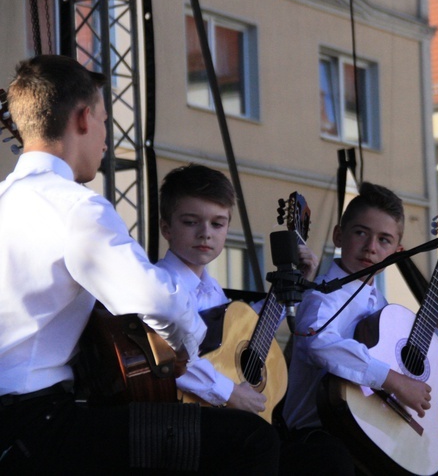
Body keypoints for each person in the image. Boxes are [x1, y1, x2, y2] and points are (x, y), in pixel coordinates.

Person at [0, 54, 278, 474]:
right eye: (105, 121)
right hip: (39, 426)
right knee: (253, 439)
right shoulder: (76, 208)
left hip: (20, 424)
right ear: (82, 118)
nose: (107, 138)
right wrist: (188, 347)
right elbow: (159, 301)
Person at [281, 182, 438, 475]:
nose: (371, 247)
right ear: (339, 235)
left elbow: (411, 363)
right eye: (361, 232)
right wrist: (394, 381)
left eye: (384, 240)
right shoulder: (321, 297)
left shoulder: (383, 306)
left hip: (382, 429)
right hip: (323, 435)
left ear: (397, 251)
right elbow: (317, 342)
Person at [156, 163, 318, 413]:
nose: (205, 234)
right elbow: (170, 357)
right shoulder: (161, 285)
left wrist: (291, 287)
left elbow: (247, 332)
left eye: (217, 224)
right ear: (166, 227)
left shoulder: (211, 290)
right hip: (181, 416)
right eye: (190, 222)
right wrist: (230, 392)